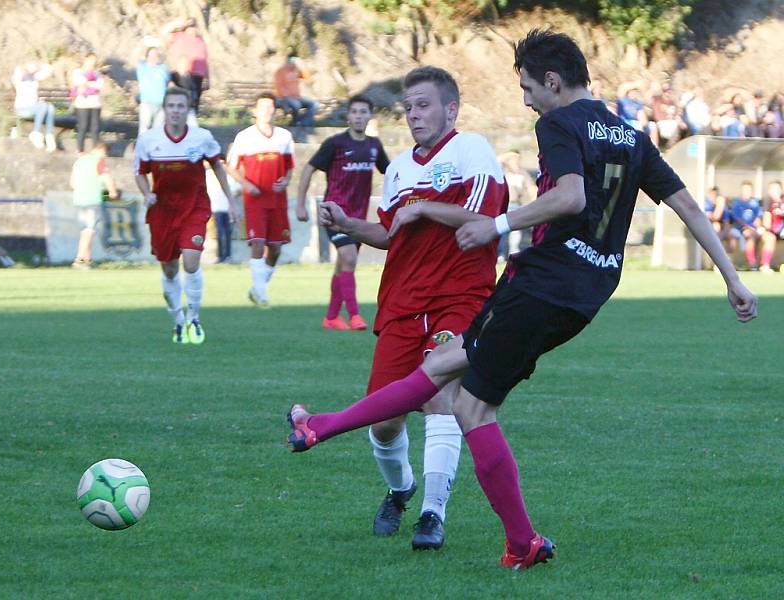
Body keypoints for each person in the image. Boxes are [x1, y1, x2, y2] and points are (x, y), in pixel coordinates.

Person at [286, 29, 757, 570]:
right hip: (588, 291)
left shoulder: (558, 123)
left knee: (471, 406)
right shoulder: (631, 135)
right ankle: (319, 426)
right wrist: (733, 278)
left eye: (529, 87)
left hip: (541, 282)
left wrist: (497, 224)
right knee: (443, 366)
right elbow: (689, 207)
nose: (527, 99)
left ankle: (522, 542)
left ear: (553, 82)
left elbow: (570, 196)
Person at [313, 66, 508, 551]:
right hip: (402, 302)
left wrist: (424, 208)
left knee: (441, 397)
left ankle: (431, 515)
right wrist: (349, 224)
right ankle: (402, 490)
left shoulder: (472, 151)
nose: (414, 114)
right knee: (384, 423)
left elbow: (486, 220)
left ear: (451, 109)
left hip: (460, 297)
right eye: (408, 107)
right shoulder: (399, 167)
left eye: (423, 105)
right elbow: (387, 231)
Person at [134, 87, 237, 344]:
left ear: (187, 110)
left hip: (194, 208)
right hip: (162, 213)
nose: (176, 111)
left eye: (181, 106)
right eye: (172, 106)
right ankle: (177, 320)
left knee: (191, 262)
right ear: (165, 110)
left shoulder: (202, 138)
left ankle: (194, 317)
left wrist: (231, 200)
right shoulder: (148, 140)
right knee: (169, 269)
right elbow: (139, 171)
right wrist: (147, 193)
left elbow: (217, 165)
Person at [295, 94, 390, 330]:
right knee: (349, 257)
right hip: (333, 214)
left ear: (370, 116)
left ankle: (331, 317)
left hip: (356, 218)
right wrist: (300, 204)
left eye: (363, 112)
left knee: (343, 265)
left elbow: (391, 173)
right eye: (354, 112)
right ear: (348, 116)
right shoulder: (335, 144)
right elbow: (308, 169)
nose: (358, 116)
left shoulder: (373, 146)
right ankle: (355, 315)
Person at [226, 93, 295, 307]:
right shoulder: (244, 137)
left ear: (275, 110)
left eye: (270, 107)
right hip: (255, 200)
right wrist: (246, 184)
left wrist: (285, 181)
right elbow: (230, 166)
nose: (266, 110)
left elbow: (290, 167)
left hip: (278, 200)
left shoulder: (284, 137)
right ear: (254, 111)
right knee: (257, 244)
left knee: (275, 248)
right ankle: (262, 296)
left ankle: (258, 287)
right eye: (262, 107)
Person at [70, 141, 118, 268]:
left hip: (78, 199)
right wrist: (112, 192)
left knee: (85, 230)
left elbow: (72, 183)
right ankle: (79, 259)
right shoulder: (98, 161)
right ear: (102, 150)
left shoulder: (79, 161)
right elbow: (106, 178)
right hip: (92, 199)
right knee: (89, 230)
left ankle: (87, 260)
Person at [162, 18, 209, 116]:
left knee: (194, 101)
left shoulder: (200, 40)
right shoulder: (179, 36)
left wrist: (208, 78)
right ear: (185, 27)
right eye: (190, 26)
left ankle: (191, 121)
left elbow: (205, 59)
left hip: (198, 74)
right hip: (181, 73)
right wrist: (178, 23)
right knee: (180, 100)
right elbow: (163, 31)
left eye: (194, 26)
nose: (193, 28)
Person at [11, 62, 56, 152]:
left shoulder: (35, 78)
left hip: (35, 109)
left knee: (50, 107)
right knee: (43, 106)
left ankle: (49, 135)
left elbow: (49, 69)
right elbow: (17, 73)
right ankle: (36, 132)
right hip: (22, 109)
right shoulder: (19, 79)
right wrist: (26, 67)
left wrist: (38, 65)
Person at [71, 53, 105, 153]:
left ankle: (96, 151)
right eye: (90, 60)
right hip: (82, 104)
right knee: (83, 126)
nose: (92, 63)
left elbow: (100, 85)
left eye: (94, 61)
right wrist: (89, 84)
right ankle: (80, 150)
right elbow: (79, 83)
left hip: (95, 104)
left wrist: (88, 85)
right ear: (85, 60)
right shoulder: (77, 72)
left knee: (95, 129)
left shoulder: (97, 73)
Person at [205, 159, 237, 264]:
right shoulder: (209, 175)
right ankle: (220, 256)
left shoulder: (229, 176)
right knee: (219, 232)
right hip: (216, 208)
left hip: (227, 209)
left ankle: (227, 255)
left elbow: (237, 189)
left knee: (227, 232)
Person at [273, 54, 318, 127]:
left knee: (314, 104)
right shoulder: (281, 71)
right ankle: (294, 123)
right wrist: (290, 97)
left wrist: (303, 67)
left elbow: (309, 80)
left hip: (296, 97)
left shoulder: (296, 71)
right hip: (282, 98)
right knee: (296, 104)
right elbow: (279, 87)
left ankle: (303, 124)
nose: (293, 64)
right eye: (292, 61)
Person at [729, 181, 765, 269]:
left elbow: (758, 217)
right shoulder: (736, 203)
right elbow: (736, 218)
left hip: (751, 229)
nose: (746, 192)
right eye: (744, 190)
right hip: (738, 229)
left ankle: (752, 263)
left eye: (748, 190)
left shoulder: (755, 203)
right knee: (731, 234)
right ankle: (729, 262)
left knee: (750, 235)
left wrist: (755, 226)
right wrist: (746, 226)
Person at [136, 46, 171, 135]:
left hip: (161, 103)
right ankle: (142, 148)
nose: (153, 57)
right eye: (151, 55)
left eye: (155, 55)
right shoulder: (142, 67)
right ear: (147, 56)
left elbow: (169, 83)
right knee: (144, 129)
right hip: (146, 102)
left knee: (158, 131)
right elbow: (138, 54)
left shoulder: (163, 68)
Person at [759, 180, 783, 273]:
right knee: (770, 238)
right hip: (771, 231)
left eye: (776, 189)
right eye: (772, 189)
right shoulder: (767, 201)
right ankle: (764, 265)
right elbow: (766, 222)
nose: (774, 192)